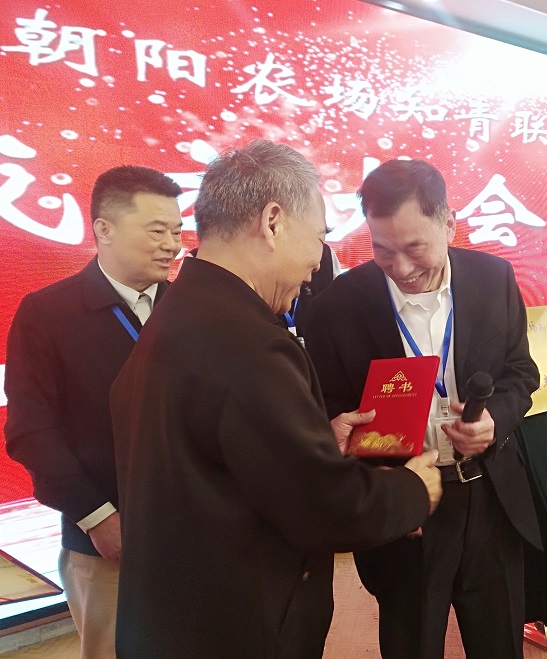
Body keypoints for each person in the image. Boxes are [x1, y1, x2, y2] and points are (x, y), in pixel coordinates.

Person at [109, 140, 442, 659]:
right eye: (319, 238)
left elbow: (218, 457)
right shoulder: (246, 343)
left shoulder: (181, 314)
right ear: (273, 222)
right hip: (236, 627)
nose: (316, 263)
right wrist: (413, 490)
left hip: (179, 615)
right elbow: (325, 507)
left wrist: (311, 441)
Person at [303, 158, 542, 659]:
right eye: (383, 250)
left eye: (415, 248)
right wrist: (340, 432)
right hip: (405, 504)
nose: (402, 268)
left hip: (489, 495)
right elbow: (327, 402)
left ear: (449, 223)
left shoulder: (493, 278)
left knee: (498, 640)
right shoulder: (336, 307)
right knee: (411, 640)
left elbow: (521, 373)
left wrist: (495, 420)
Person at [4, 165, 184, 659]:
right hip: (105, 539)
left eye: (176, 232)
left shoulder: (189, 308)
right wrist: (97, 517)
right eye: (157, 231)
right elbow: (31, 431)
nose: (171, 245)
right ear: (104, 228)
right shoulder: (49, 313)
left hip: (195, 529)